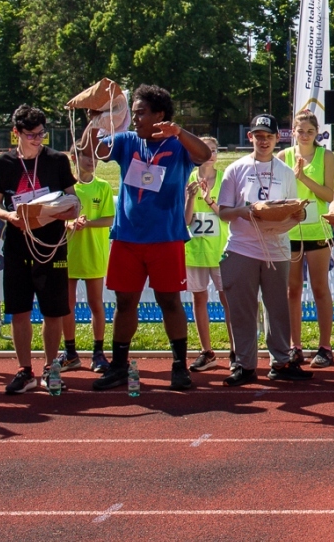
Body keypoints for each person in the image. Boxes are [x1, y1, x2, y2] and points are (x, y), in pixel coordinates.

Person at [87, 84, 213, 392]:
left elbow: (205, 154)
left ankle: (179, 366)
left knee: (169, 301)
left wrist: (178, 132)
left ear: (160, 116)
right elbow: (99, 151)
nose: (136, 119)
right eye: (135, 113)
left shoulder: (178, 144)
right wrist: (95, 125)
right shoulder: (128, 141)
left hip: (166, 238)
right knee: (124, 302)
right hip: (127, 238)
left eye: (142, 113)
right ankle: (118, 366)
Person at [0, 105, 79, 394]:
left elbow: (73, 199)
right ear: (16, 133)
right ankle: (24, 370)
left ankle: (52, 369)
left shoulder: (57, 160)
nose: (38, 140)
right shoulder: (3, 163)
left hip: (51, 244)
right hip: (17, 244)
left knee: (53, 311)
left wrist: (70, 211)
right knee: (19, 310)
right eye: (31, 135)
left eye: (42, 134)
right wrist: (7, 216)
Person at [217, 115, 302, 386]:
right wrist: (244, 211)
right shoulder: (235, 169)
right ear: (250, 137)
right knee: (243, 309)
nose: (263, 141)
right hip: (243, 248)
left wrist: (292, 218)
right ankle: (244, 364)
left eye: (268, 136)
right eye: (258, 136)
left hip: (276, 249)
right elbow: (224, 212)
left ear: (278, 138)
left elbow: (294, 209)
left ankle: (281, 361)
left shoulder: (286, 172)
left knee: (277, 307)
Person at [280, 110, 334, 367]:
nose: (304, 136)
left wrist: (303, 177)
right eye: (300, 131)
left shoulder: (327, 156)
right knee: (292, 290)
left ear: (317, 134)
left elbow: (328, 194)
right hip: (290, 232)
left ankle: (325, 346)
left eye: (310, 132)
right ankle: (295, 346)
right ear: (292, 132)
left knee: (319, 288)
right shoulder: (283, 157)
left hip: (318, 232)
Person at [65, 145, 116, 373]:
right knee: (67, 305)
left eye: (95, 156)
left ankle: (98, 352)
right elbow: (56, 217)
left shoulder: (102, 187)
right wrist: (68, 224)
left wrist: (87, 224)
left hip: (94, 251)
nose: (92, 160)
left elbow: (108, 219)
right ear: (74, 157)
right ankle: (70, 352)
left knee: (96, 303)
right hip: (68, 252)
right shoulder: (65, 187)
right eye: (87, 156)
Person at [185, 136, 227, 372]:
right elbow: (185, 220)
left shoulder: (225, 179)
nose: (210, 154)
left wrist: (209, 200)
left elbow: (226, 215)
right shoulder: (187, 179)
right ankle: (207, 351)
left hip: (221, 251)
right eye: (206, 150)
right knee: (199, 299)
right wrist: (191, 197)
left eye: (214, 150)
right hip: (195, 251)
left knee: (227, 300)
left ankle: (236, 351)